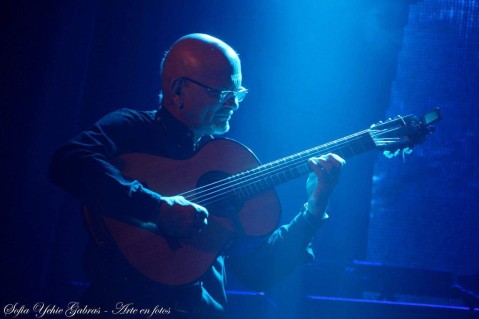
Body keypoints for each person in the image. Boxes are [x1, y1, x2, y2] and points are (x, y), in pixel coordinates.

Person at [50, 33, 345, 319]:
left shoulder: (227, 161)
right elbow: (69, 161)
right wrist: (157, 208)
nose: (234, 104)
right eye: (223, 94)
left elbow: (256, 274)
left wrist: (315, 207)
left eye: (238, 93)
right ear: (179, 90)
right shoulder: (131, 130)